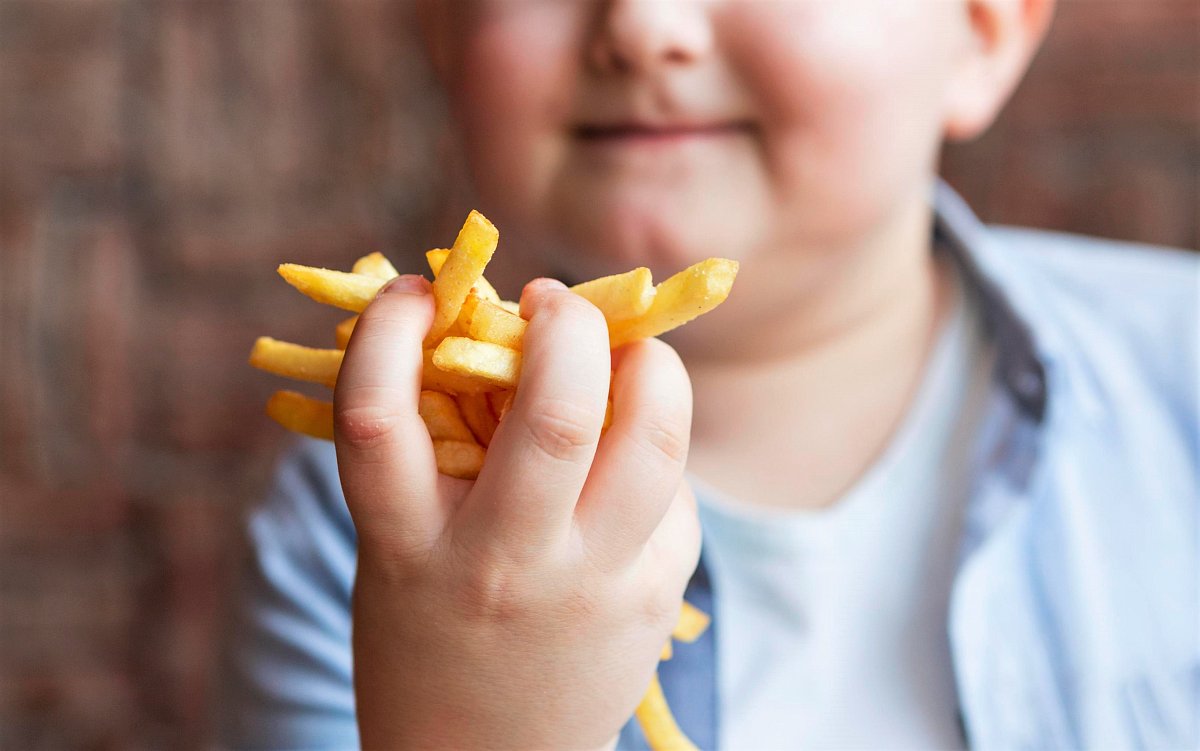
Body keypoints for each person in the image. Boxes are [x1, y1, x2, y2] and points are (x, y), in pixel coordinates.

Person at [219, 1, 1199, 748]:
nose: (642, 25)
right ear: (440, 30)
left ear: (982, 29)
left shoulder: (1179, 371)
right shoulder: (361, 521)